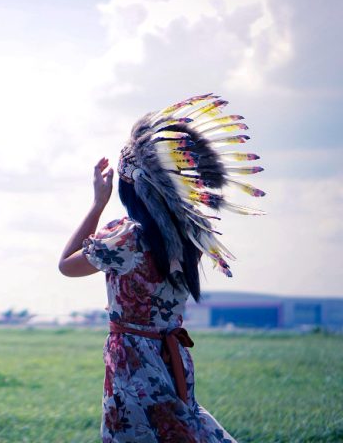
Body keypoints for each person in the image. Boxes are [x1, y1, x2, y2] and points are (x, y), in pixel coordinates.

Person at [58, 94, 265, 442]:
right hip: (174, 357)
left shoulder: (124, 239)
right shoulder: (188, 239)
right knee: (183, 428)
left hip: (134, 363)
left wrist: (97, 204)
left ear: (131, 189)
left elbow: (67, 265)